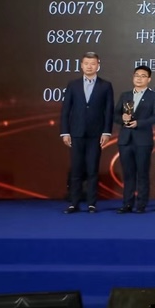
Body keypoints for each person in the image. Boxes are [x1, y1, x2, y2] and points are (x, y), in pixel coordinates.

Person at [60, 51, 114, 214]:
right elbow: (66, 110)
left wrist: (106, 132)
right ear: (81, 65)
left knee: (92, 170)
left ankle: (91, 203)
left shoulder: (105, 85)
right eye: (86, 63)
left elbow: (109, 110)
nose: (89, 66)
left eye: (93, 64)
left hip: (95, 134)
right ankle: (73, 203)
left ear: (98, 65)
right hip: (76, 133)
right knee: (76, 169)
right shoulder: (73, 85)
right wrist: (65, 132)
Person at [114, 65, 155, 214]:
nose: (139, 78)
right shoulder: (125, 95)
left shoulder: (154, 96)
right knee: (128, 174)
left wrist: (139, 123)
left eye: (143, 76)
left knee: (142, 173)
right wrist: (122, 119)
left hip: (143, 140)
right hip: (125, 140)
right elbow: (115, 115)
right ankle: (127, 204)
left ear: (149, 79)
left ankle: (141, 204)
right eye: (137, 75)